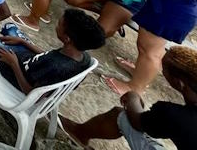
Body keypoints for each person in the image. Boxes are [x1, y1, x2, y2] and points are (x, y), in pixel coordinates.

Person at [61, 44, 197, 150]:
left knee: (120, 115)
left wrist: (133, 99)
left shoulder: (174, 115)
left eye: (163, 69)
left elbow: (138, 123)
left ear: (179, 83)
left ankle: (78, 133)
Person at [0, 8, 105, 94]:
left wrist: (13, 63)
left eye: (59, 24)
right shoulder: (80, 55)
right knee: (9, 27)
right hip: (26, 60)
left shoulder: (57, 66)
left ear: (67, 38)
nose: (56, 25)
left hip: (14, 71)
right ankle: (3, 49)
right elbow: (46, 55)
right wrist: (23, 42)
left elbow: (30, 91)